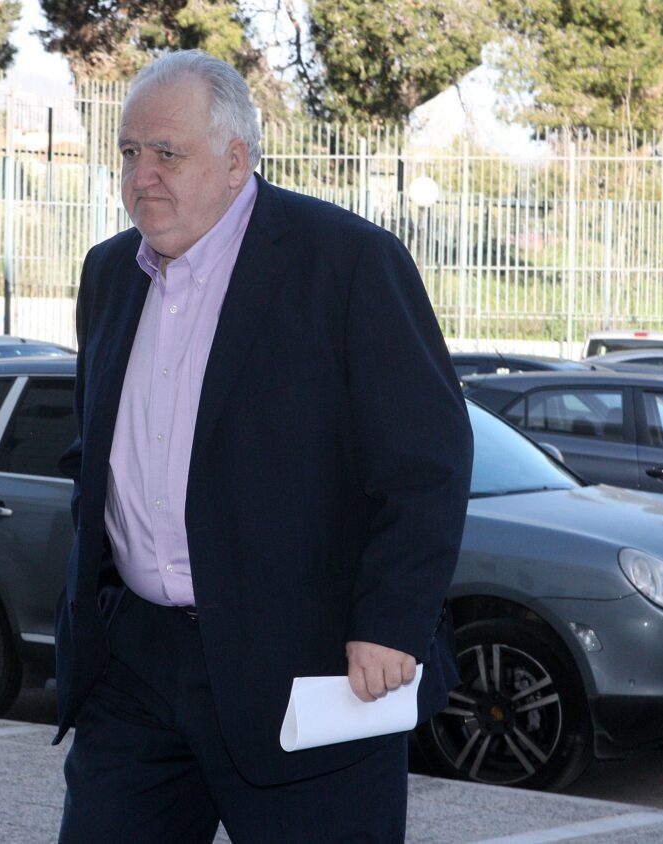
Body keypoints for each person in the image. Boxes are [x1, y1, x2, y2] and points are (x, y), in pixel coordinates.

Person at [54, 50, 472, 843]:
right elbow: (96, 455)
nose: (143, 176)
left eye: (167, 153)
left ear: (236, 160)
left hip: (309, 671)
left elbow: (427, 464)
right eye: (130, 152)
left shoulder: (348, 262)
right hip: (136, 670)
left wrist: (391, 623)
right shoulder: (110, 274)